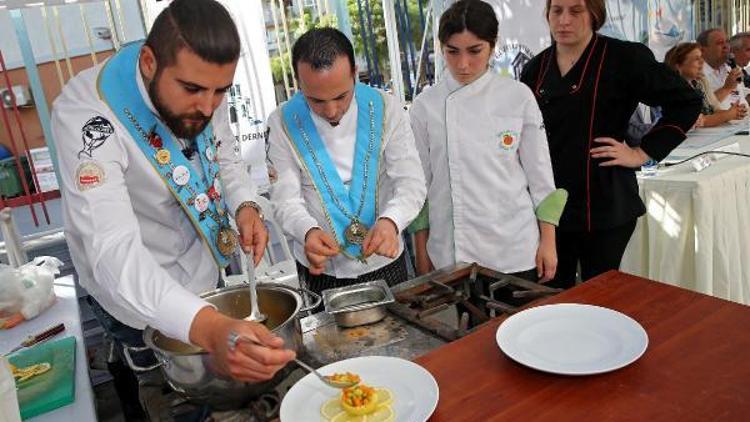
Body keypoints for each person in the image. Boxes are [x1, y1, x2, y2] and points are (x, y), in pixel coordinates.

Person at [51, 0, 295, 416]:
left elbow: (225, 155)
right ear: (149, 62)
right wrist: (209, 328)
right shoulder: (87, 118)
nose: (207, 106)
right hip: (137, 295)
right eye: (194, 90)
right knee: (171, 404)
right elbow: (112, 251)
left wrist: (245, 206)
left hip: (204, 277)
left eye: (221, 92)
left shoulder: (201, 86)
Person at [520, 0, 702, 288]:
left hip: (605, 203)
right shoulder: (533, 69)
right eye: (557, 11)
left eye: (575, 11)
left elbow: (687, 101)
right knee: (551, 296)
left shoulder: (624, 58)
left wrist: (642, 153)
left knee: (601, 296)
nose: (564, 20)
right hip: (549, 208)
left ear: (594, 15)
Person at [408, 0, 566, 283]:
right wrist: (421, 251)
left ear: (493, 46)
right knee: (469, 328)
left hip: (515, 248)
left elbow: (541, 177)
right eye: (452, 52)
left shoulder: (517, 97)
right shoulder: (425, 106)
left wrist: (548, 242)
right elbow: (419, 186)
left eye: (475, 51)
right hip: (451, 252)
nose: (463, 64)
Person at [267, 28, 426, 295]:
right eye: (316, 100)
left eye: (341, 96)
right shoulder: (282, 122)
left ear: (354, 73)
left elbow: (411, 183)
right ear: (298, 83)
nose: (331, 111)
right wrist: (307, 232)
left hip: (384, 259)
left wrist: (391, 221)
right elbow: (285, 199)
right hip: (321, 268)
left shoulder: (386, 109)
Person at [665, 42, 747, 127]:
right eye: (697, 59)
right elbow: (697, 121)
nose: (702, 62)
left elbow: (715, 109)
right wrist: (728, 115)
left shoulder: (701, 81)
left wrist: (735, 112)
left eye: (701, 58)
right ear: (678, 65)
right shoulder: (672, 88)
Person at [698, 28, 744, 107]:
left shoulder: (730, 68)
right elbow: (703, 108)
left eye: (727, 42)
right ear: (702, 50)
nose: (726, 46)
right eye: (720, 43)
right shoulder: (697, 74)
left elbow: (741, 96)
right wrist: (726, 88)